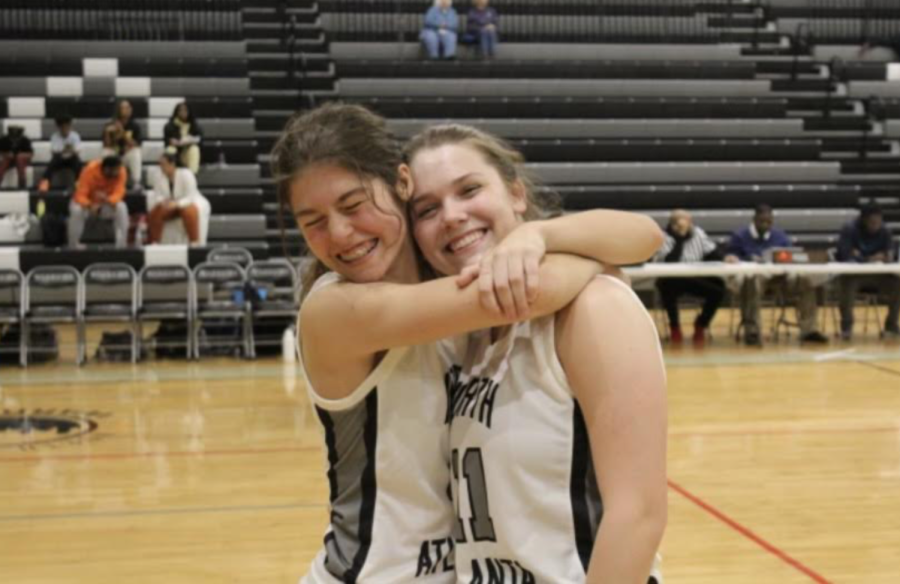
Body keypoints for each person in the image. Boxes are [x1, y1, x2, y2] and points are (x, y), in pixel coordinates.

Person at [270, 103, 664, 583]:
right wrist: (586, 259)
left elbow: (645, 235)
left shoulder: (464, 320)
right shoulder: (336, 310)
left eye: (353, 206)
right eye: (312, 221)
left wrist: (540, 236)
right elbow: (534, 289)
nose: (338, 233)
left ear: (398, 186)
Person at [405, 124, 667, 583]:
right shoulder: (461, 336)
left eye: (469, 190)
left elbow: (638, 516)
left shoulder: (592, 308)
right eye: (427, 209)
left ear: (516, 194)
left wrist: (541, 236)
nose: (451, 216)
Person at [724, 204, 828, 346]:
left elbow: (790, 255)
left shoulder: (780, 235)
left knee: (806, 281)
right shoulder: (740, 236)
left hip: (780, 275)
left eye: (769, 222)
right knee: (751, 280)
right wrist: (732, 258)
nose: (766, 225)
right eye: (762, 221)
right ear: (754, 219)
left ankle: (809, 330)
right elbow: (731, 256)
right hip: (756, 276)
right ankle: (752, 331)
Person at [653, 209, 725, 347]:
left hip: (695, 278)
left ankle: (701, 324)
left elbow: (713, 253)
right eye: (678, 223)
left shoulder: (698, 233)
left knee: (719, 288)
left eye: (687, 222)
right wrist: (679, 238)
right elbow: (670, 262)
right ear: (672, 224)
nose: (685, 225)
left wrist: (725, 258)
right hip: (671, 279)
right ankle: (675, 327)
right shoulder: (663, 237)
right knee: (667, 288)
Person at [836, 203, 900, 340]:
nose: (876, 225)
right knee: (847, 284)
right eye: (872, 222)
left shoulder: (885, 231)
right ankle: (846, 327)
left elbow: (890, 256)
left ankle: (891, 326)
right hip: (855, 274)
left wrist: (861, 255)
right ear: (863, 220)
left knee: (897, 284)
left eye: (878, 221)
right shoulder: (849, 229)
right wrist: (870, 257)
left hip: (879, 275)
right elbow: (845, 255)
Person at [147, 151, 210, 245]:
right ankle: (155, 242)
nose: (161, 167)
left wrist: (177, 204)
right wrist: (163, 202)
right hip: (169, 204)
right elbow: (157, 195)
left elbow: (190, 196)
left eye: (163, 164)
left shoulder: (186, 174)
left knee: (189, 211)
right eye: (160, 164)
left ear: (172, 164)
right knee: (155, 212)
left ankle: (194, 243)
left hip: (187, 202)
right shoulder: (158, 176)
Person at [68, 155, 129, 248]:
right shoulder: (89, 170)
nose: (117, 173)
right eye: (115, 171)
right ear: (107, 169)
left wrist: (107, 200)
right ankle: (73, 245)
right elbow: (80, 195)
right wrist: (89, 205)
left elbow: (119, 193)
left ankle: (121, 244)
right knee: (76, 210)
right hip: (87, 205)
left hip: (106, 205)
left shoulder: (121, 171)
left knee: (122, 207)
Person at [102, 100, 143, 188]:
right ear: (118, 110)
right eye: (124, 108)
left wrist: (122, 132)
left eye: (129, 107)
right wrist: (107, 133)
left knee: (136, 152)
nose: (127, 110)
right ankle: (105, 180)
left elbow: (136, 144)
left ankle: (136, 182)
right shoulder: (110, 124)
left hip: (126, 155)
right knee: (106, 151)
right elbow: (106, 144)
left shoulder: (135, 125)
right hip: (114, 153)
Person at [38, 115, 83, 192]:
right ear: (59, 127)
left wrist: (67, 150)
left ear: (69, 126)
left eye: (66, 127)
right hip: (59, 159)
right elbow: (54, 151)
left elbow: (77, 151)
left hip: (72, 158)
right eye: (63, 127)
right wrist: (66, 150)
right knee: (51, 164)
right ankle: (45, 183)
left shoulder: (75, 136)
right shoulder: (54, 136)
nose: (65, 129)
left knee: (78, 164)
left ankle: (79, 184)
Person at [163, 102, 203, 174]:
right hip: (177, 153)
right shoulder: (170, 126)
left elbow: (200, 141)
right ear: (177, 112)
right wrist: (172, 142)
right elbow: (166, 142)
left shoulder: (194, 125)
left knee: (194, 149)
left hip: (187, 154)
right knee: (170, 149)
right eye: (180, 110)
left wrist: (190, 141)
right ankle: (170, 175)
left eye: (185, 110)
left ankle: (192, 176)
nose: (183, 112)